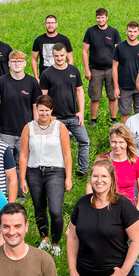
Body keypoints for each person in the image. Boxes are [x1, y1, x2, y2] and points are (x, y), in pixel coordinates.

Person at [17, 97, 74, 252]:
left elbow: (67, 154)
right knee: (39, 207)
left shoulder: (59, 127)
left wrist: (68, 177)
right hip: (34, 171)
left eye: (46, 110)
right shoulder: (28, 127)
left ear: (51, 110)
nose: (43, 113)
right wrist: (22, 178)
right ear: (36, 110)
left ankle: (56, 243)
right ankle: (44, 238)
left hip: (55, 171)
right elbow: (23, 155)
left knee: (55, 209)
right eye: (41, 110)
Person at [39, 39, 93, 176]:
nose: (59, 58)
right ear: (52, 56)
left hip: (74, 116)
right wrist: (48, 115)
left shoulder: (73, 70)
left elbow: (80, 91)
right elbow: (43, 97)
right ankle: (57, 170)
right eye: (56, 56)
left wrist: (81, 112)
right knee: (54, 146)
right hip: (56, 118)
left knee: (84, 141)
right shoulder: (47, 74)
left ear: (66, 55)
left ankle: (82, 171)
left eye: (62, 55)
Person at [0, 50, 43, 148]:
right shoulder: (2, 82)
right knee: (7, 162)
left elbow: (35, 108)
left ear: (24, 63)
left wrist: (36, 129)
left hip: (26, 131)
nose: (17, 64)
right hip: (5, 133)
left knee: (23, 162)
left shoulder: (32, 82)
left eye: (20, 61)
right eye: (14, 61)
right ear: (9, 64)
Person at [83, 9, 123, 119]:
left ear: (107, 17)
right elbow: (84, 51)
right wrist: (87, 69)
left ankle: (113, 119)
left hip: (111, 69)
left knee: (113, 96)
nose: (100, 20)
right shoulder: (90, 31)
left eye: (102, 17)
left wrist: (119, 69)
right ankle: (93, 119)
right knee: (95, 97)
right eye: (98, 17)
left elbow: (118, 51)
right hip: (95, 69)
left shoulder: (113, 32)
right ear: (96, 18)